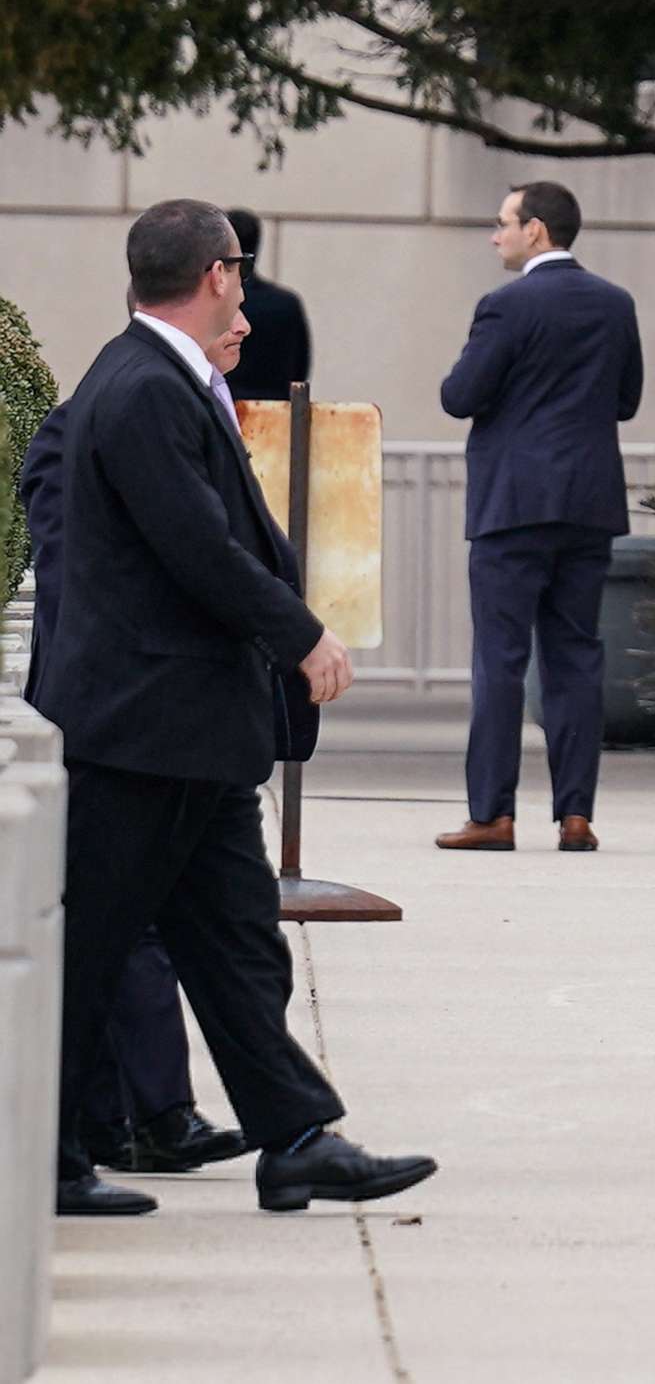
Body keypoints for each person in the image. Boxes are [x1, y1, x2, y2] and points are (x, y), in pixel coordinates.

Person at [41, 197, 435, 1216]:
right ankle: (44, 1154)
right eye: (241, 278)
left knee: (236, 941)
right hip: (145, 726)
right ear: (216, 273)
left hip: (192, 730)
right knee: (91, 947)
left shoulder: (165, 381)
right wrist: (299, 633)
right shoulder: (141, 388)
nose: (248, 301)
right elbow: (196, 546)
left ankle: (297, 1137)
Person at [21, 377, 248, 1176]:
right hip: (114, 712)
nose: (245, 327)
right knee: (118, 926)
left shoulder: (199, 421)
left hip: (182, 717)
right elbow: (68, 565)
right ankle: (143, 1119)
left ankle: (141, 1118)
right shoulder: (88, 422)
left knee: (157, 925)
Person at [435, 181, 644, 855]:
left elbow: (460, 395)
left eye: (503, 224)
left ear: (538, 232)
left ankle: (492, 814)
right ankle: (576, 815)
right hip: (588, 504)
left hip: (513, 508)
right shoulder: (615, 305)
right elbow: (627, 400)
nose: (496, 236)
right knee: (576, 658)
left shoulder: (505, 306)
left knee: (500, 660)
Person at [221, 207, 311, 402]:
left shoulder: (216, 302)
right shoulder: (287, 304)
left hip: (224, 411)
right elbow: (300, 369)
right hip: (276, 415)